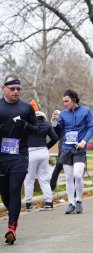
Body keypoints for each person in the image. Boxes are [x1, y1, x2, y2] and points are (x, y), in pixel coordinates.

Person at [0, 74, 39, 244]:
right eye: (12, 88)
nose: (16, 92)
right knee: (5, 195)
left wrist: (27, 126)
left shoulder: (26, 108)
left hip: (20, 155)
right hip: (1, 157)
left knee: (15, 188)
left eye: (18, 89)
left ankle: (11, 228)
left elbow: (38, 130)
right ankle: (13, 213)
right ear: (4, 88)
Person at [51, 89, 93, 214]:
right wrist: (54, 122)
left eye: (67, 101)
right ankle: (71, 203)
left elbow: (92, 128)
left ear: (74, 100)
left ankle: (79, 200)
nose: (64, 104)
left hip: (80, 148)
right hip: (66, 148)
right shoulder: (64, 114)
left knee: (78, 174)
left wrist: (84, 142)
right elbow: (59, 129)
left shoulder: (86, 111)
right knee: (69, 177)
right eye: (63, 102)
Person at [24, 110, 58, 211]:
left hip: (30, 152)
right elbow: (55, 138)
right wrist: (46, 147)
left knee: (29, 179)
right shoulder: (47, 124)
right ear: (43, 117)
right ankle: (49, 203)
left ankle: (28, 204)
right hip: (43, 152)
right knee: (44, 178)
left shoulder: (28, 124)